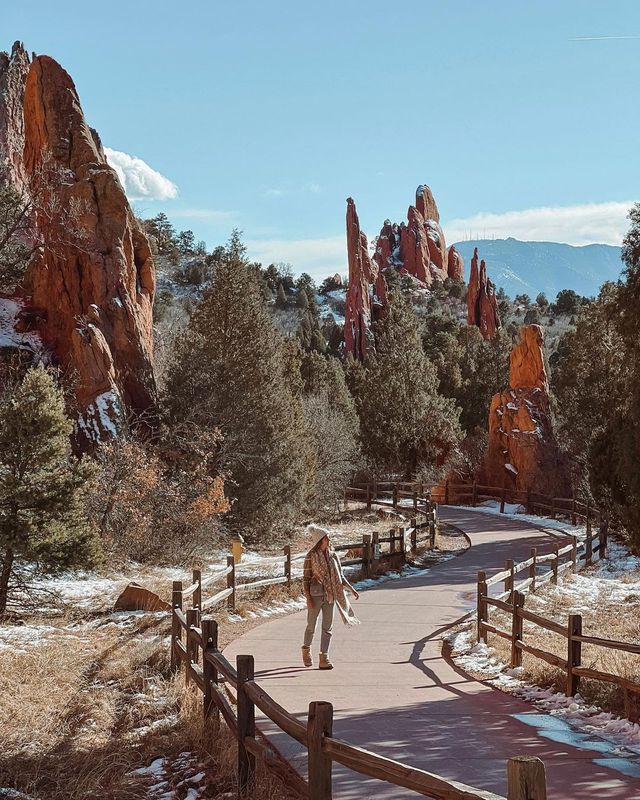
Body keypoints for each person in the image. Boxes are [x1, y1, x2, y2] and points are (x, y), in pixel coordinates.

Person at [302, 524, 360, 670]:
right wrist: (308, 598)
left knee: (327, 627)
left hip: (330, 595)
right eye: (326, 537)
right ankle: (306, 650)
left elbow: (339, 576)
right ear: (320, 540)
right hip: (315, 595)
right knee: (311, 626)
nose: (329, 539)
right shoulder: (311, 556)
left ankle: (324, 657)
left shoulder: (333, 556)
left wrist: (351, 588)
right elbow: (306, 578)